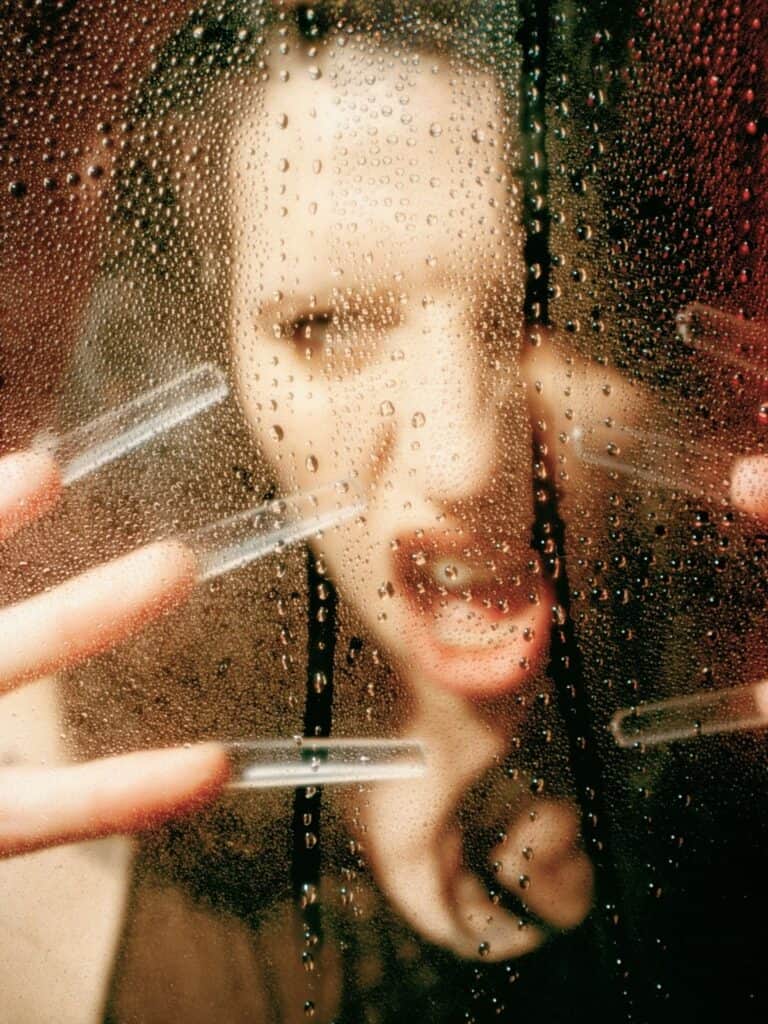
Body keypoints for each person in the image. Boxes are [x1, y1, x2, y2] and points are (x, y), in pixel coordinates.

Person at [1, 2, 767, 1021]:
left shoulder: (739, 730)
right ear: (214, 365)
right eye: (326, 325)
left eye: (543, 306)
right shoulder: (39, 796)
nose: (465, 460)